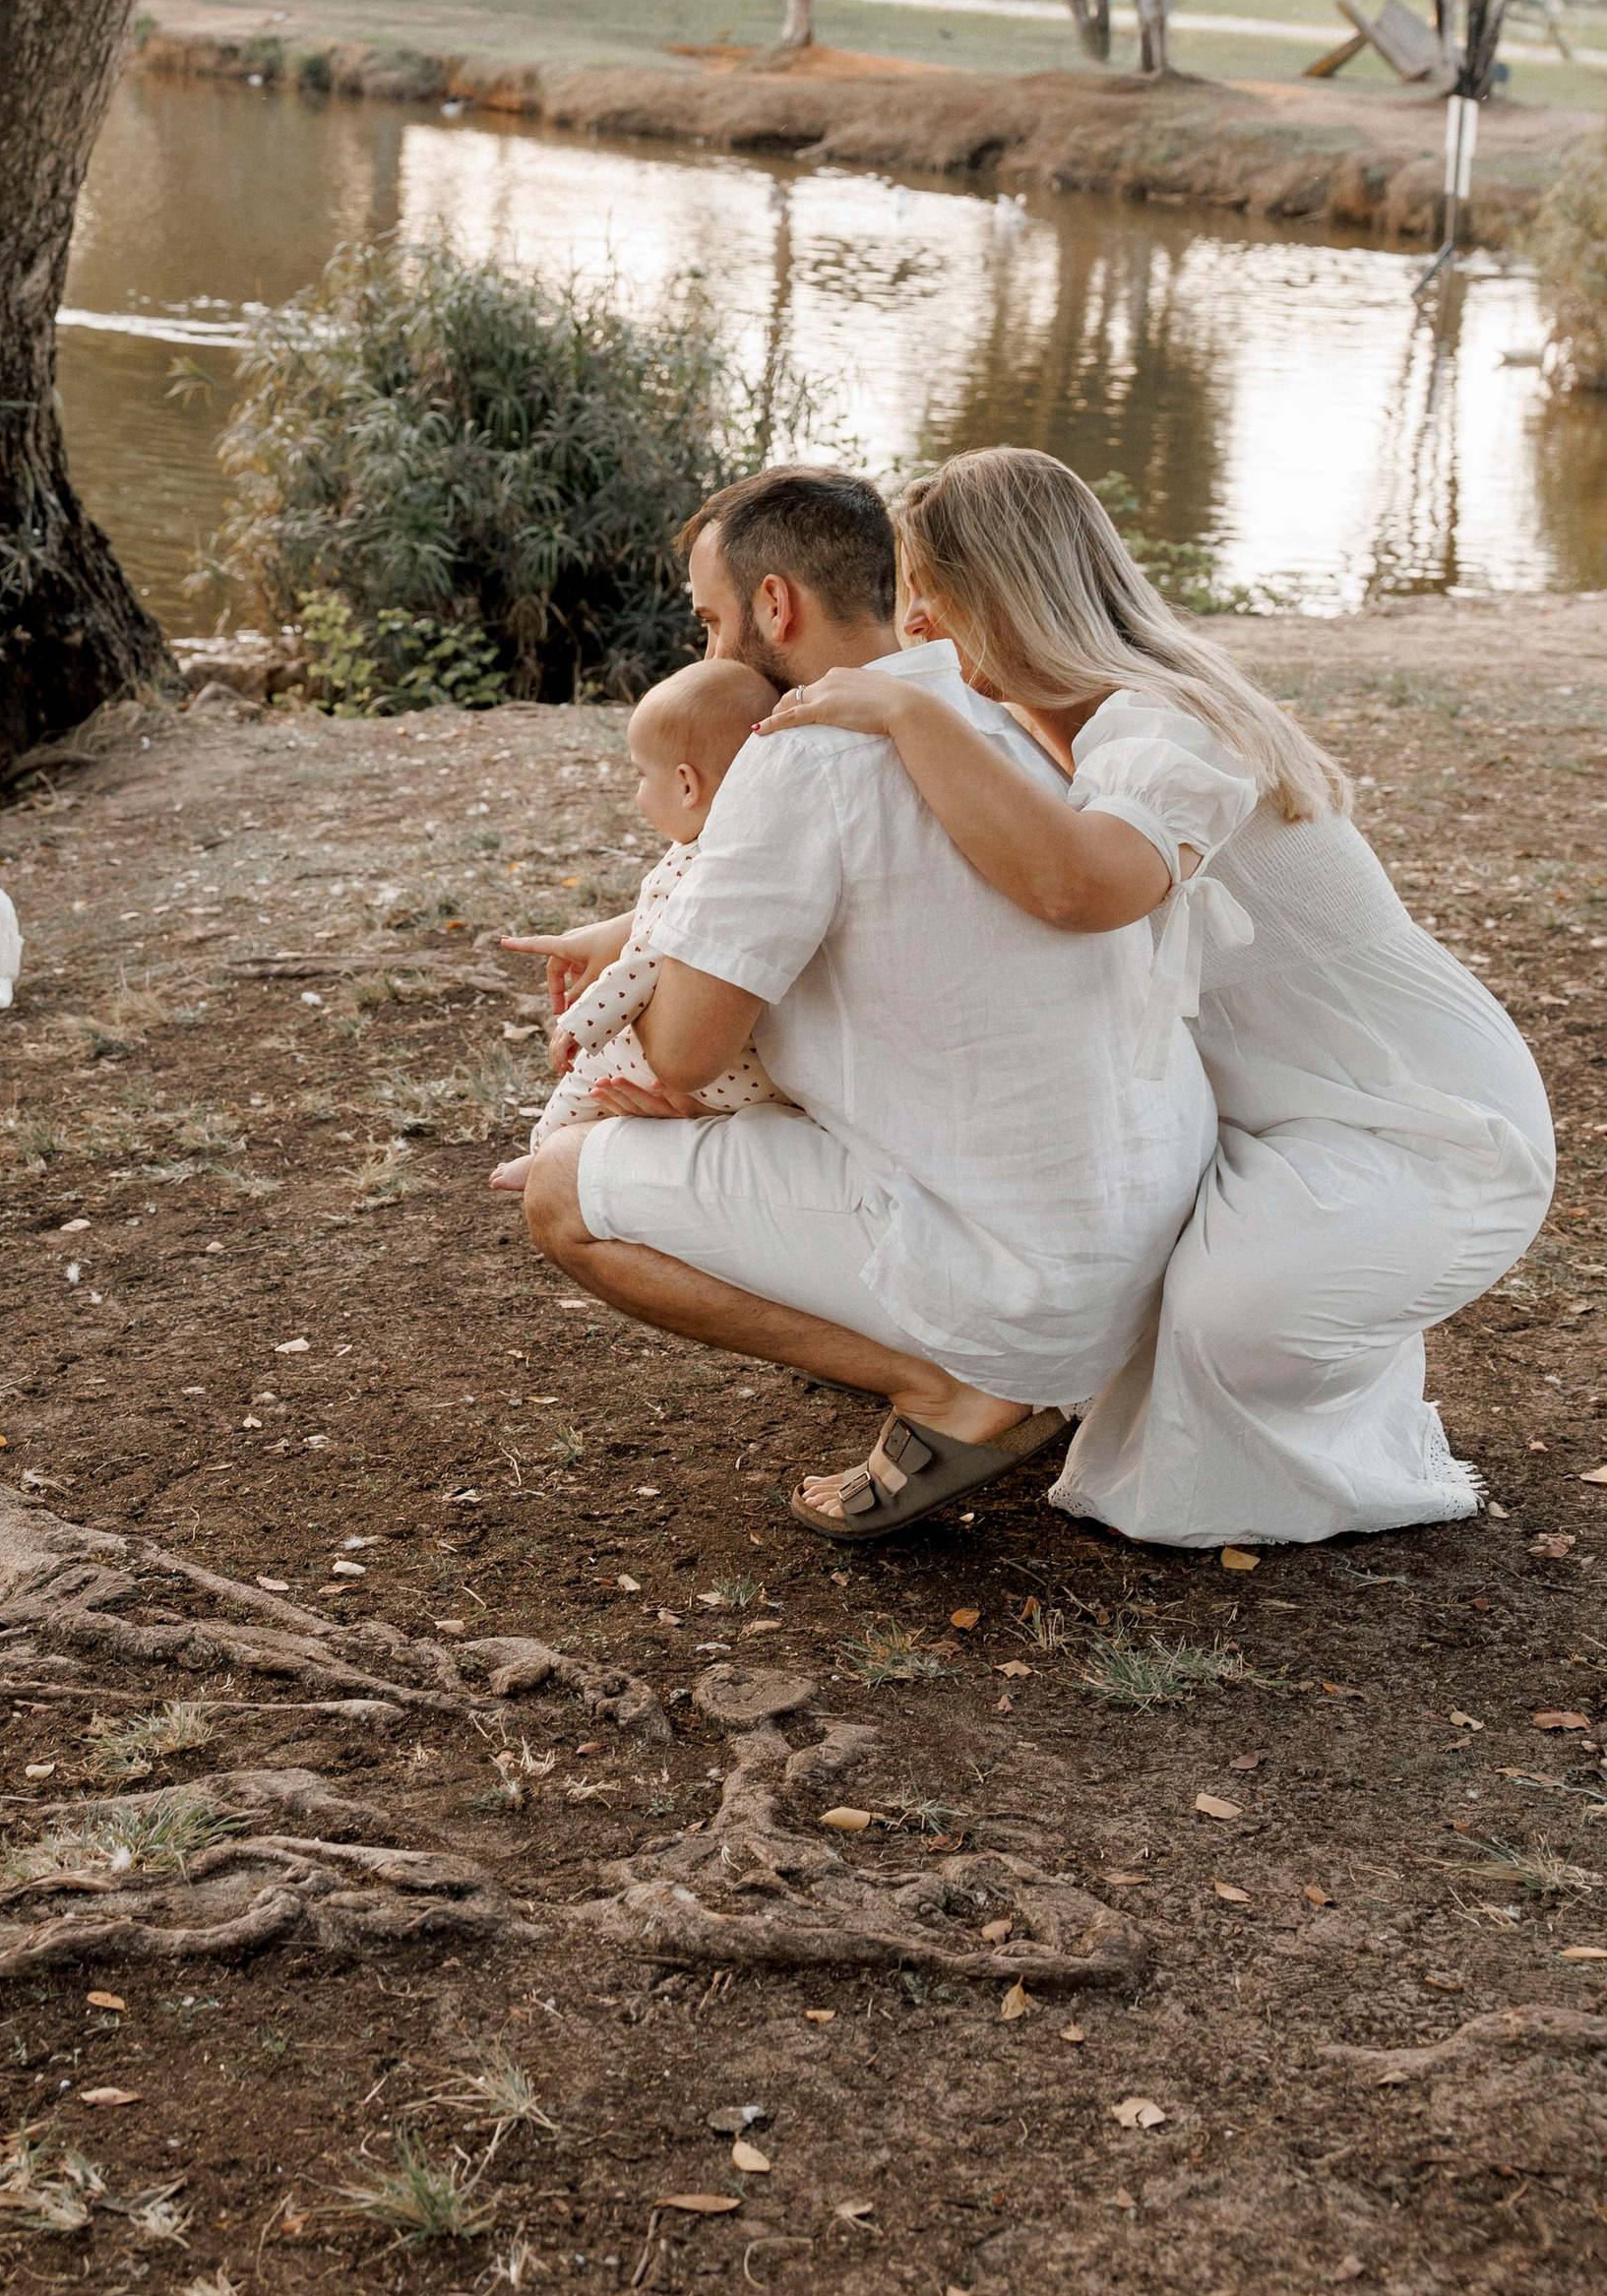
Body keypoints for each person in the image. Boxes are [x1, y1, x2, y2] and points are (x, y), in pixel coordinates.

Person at [761, 447, 1554, 1545]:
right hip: (1262, 1121)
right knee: (1121, 1275)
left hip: (1420, 1120)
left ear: (1004, 592)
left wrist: (910, 717)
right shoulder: (1049, 720)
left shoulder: (1168, 718)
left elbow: (1082, 887)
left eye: (927, 594)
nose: (918, 627)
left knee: (1232, 1324)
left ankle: (1329, 1371)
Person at [509, 465, 1216, 1540]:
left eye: (709, 622)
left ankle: (950, 1390)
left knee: (560, 1190)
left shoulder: (791, 755)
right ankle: (976, 1357)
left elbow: (687, 1051)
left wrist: (645, 999)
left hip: (1033, 1286)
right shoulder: (1004, 715)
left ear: (775, 604)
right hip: (1146, 1255)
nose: (705, 657)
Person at [487, 656, 784, 1195]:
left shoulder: (703, 868)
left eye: (640, 776)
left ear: (687, 785)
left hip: (711, 1066)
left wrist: (582, 1023)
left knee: (589, 1076)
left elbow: (646, 961)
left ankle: (543, 1153)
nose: (637, 792)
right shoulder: (750, 840)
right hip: (757, 1078)